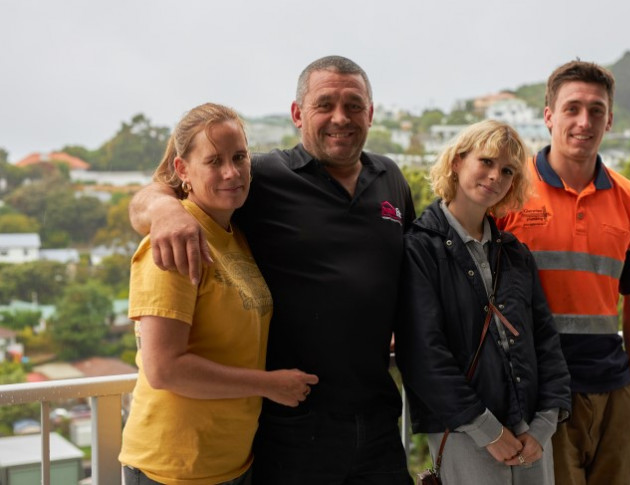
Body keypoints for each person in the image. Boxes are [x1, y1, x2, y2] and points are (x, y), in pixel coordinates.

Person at [128, 57, 415, 484]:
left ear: (371, 113)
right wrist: (166, 210)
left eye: (354, 105)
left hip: (377, 418)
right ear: (298, 114)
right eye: (325, 105)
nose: (341, 118)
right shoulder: (258, 176)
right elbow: (149, 197)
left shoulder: (390, 177)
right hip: (291, 425)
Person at [119, 103, 318, 485]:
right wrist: (269, 384)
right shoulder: (173, 240)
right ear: (183, 170)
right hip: (175, 467)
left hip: (231, 462)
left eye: (239, 157)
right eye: (214, 161)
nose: (231, 172)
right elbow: (164, 369)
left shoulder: (233, 235)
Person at [498, 61, 630, 485]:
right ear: (549, 116)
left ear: (610, 120)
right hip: (539, 394)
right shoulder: (507, 192)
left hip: (613, 390)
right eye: (572, 109)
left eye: (596, 110)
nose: (584, 121)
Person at [397, 120, 571, 484]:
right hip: (464, 430)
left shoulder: (515, 253)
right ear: (458, 161)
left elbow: (546, 340)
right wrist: (486, 429)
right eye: (487, 162)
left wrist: (544, 425)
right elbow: (424, 353)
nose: (496, 176)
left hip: (530, 431)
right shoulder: (419, 248)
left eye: (507, 170)